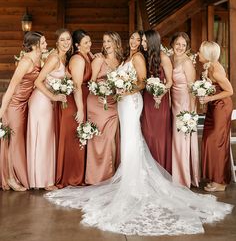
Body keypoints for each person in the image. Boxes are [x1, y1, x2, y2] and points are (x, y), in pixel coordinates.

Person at [46, 31, 233, 236]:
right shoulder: (129, 56)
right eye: (135, 39)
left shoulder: (137, 58)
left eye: (140, 39)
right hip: (122, 102)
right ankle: (127, 173)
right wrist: (117, 87)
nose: (137, 42)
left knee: (131, 137)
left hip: (131, 101)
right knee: (128, 138)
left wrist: (124, 90)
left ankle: (133, 179)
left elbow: (142, 81)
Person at [0, 31, 46, 191]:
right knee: (14, 142)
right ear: (34, 45)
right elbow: (11, 87)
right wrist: (1, 112)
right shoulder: (25, 62)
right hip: (15, 105)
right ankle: (10, 178)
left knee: (19, 141)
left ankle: (17, 175)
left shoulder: (40, 58)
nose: (46, 44)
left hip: (26, 104)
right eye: (43, 42)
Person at [27, 29, 72, 190]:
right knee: (42, 139)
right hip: (41, 101)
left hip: (47, 102)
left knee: (46, 139)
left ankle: (45, 179)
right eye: (62, 40)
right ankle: (42, 182)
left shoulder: (64, 57)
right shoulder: (53, 58)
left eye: (68, 39)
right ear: (57, 43)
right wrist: (54, 97)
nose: (66, 42)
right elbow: (38, 82)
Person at [56, 29, 92, 188]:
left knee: (78, 138)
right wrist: (80, 109)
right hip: (74, 104)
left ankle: (76, 174)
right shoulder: (78, 59)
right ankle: (72, 177)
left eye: (90, 41)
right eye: (86, 43)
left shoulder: (87, 56)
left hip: (81, 101)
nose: (89, 44)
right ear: (77, 45)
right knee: (74, 138)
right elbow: (77, 86)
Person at [85, 32, 122, 184]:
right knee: (98, 139)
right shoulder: (99, 60)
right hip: (97, 103)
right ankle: (97, 177)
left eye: (109, 41)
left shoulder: (121, 62)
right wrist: (98, 91)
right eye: (105, 41)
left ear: (116, 43)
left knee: (111, 139)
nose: (106, 44)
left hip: (113, 103)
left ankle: (110, 174)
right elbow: (91, 82)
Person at [198, 41, 233, 192]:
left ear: (206, 54)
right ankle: (215, 178)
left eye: (200, 51)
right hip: (214, 106)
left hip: (221, 107)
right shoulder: (208, 66)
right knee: (209, 140)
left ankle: (221, 182)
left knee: (216, 142)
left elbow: (230, 91)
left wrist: (209, 98)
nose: (198, 53)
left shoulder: (216, 70)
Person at [170, 32, 199, 188]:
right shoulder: (171, 58)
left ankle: (183, 177)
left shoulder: (187, 62)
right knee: (175, 138)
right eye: (178, 44)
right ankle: (176, 173)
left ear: (187, 47)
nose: (180, 47)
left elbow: (192, 88)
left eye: (183, 45)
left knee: (181, 138)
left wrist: (191, 113)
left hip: (184, 104)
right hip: (173, 102)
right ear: (173, 44)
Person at [141, 30, 172, 173]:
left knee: (158, 134)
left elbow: (170, 81)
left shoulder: (164, 57)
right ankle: (148, 171)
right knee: (147, 133)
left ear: (152, 42)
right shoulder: (144, 57)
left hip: (160, 100)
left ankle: (161, 170)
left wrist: (160, 93)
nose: (142, 44)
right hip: (147, 99)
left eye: (145, 41)